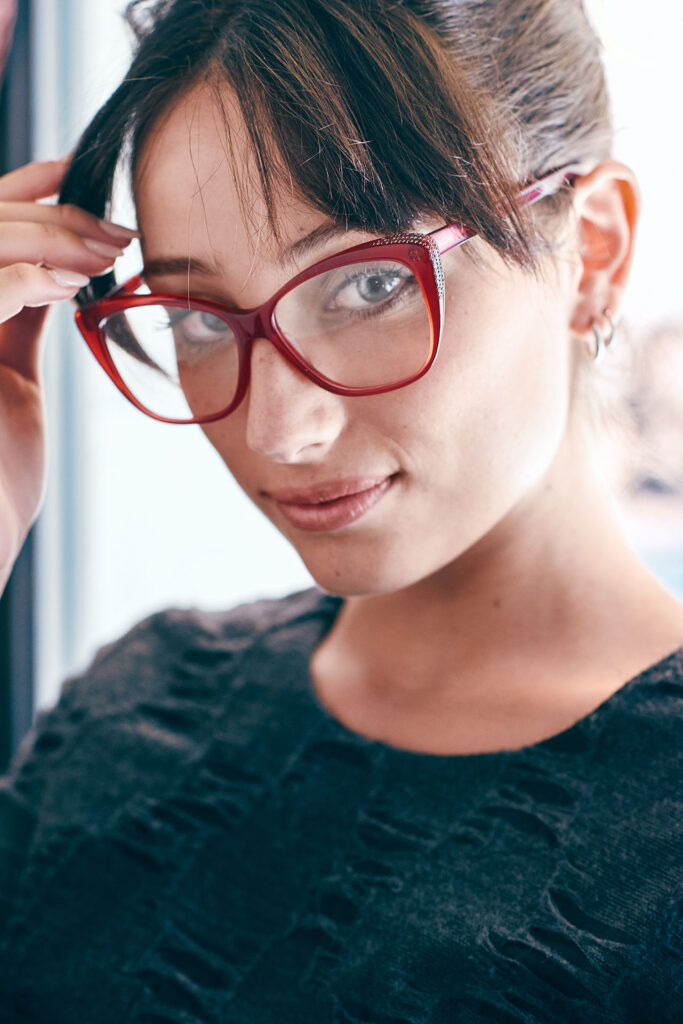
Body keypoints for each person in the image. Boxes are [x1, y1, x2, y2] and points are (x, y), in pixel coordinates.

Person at [0, 0, 681, 1019]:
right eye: (194, 315)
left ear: (589, 254)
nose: (278, 429)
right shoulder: (137, 706)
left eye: (368, 283)